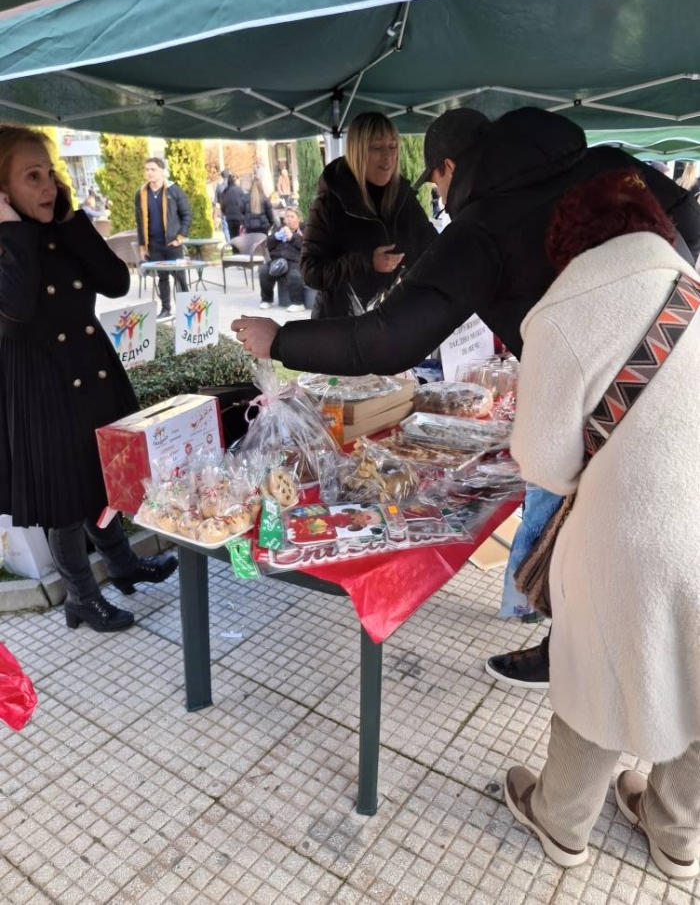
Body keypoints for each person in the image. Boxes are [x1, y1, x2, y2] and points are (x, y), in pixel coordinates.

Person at [232, 105, 700, 683]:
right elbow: (687, 213)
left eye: (436, 180)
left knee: (602, 551)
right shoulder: (607, 163)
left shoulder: (481, 228)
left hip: (609, 418)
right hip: (684, 367)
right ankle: (620, 670)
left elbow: (390, 340)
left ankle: (593, 669)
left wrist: (281, 338)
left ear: (449, 167)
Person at [504, 170, 700, 879]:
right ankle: (676, 831)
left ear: (569, 244)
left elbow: (545, 463)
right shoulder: (692, 280)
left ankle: (562, 819)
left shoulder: (564, 310)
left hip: (630, 535)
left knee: (601, 668)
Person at [0, 125, 178, 633]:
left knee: (104, 477)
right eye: (31, 176)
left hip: (91, 367)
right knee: (64, 501)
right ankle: (80, 596)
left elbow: (116, 280)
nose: (47, 185)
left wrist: (72, 216)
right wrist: (11, 230)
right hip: (41, 387)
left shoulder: (59, 227)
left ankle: (122, 566)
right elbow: (17, 305)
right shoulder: (6, 243)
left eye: (49, 173)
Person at [300, 111, 437, 319]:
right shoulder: (330, 201)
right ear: (357, 151)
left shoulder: (402, 196)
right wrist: (366, 262)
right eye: (376, 147)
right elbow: (310, 272)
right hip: (339, 327)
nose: (387, 157)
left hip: (391, 322)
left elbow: (429, 245)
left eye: (392, 147)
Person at [134, 156, 192, 319]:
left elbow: (187, 214)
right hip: (154, 244)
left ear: (162, 171)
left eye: (153, 169)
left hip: (172, 243)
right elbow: (140, 223)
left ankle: (186, 308)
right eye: (147, 169)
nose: (149, 173)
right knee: (162, 278)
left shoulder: (173, 190)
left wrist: (180, 237)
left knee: (180, 276)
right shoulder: (141, 193)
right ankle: (165, 308)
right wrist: (142, 247)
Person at [258, 206, 306, 312]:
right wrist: (275, 237)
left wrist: (293, 237)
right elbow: (269, 244)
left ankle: (298, 303)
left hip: (295, 261)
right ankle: (266, 300)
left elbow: (307, 247)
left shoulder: (305, 230)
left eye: (292, 217)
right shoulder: (279, 228)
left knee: (294, 274)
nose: (288, 219)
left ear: (299, 218)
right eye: (286, 217)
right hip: (278, 260)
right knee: (264, 270)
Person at [219, 171, 245, 243]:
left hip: (229, 217)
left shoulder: (225, 192)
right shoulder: (240, 190)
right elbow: (243, 203)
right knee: (240, 236)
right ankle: (241, 251)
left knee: (233, 237)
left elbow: (222, 206)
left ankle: (234, 251)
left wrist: (226, 212)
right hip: (239, 217)